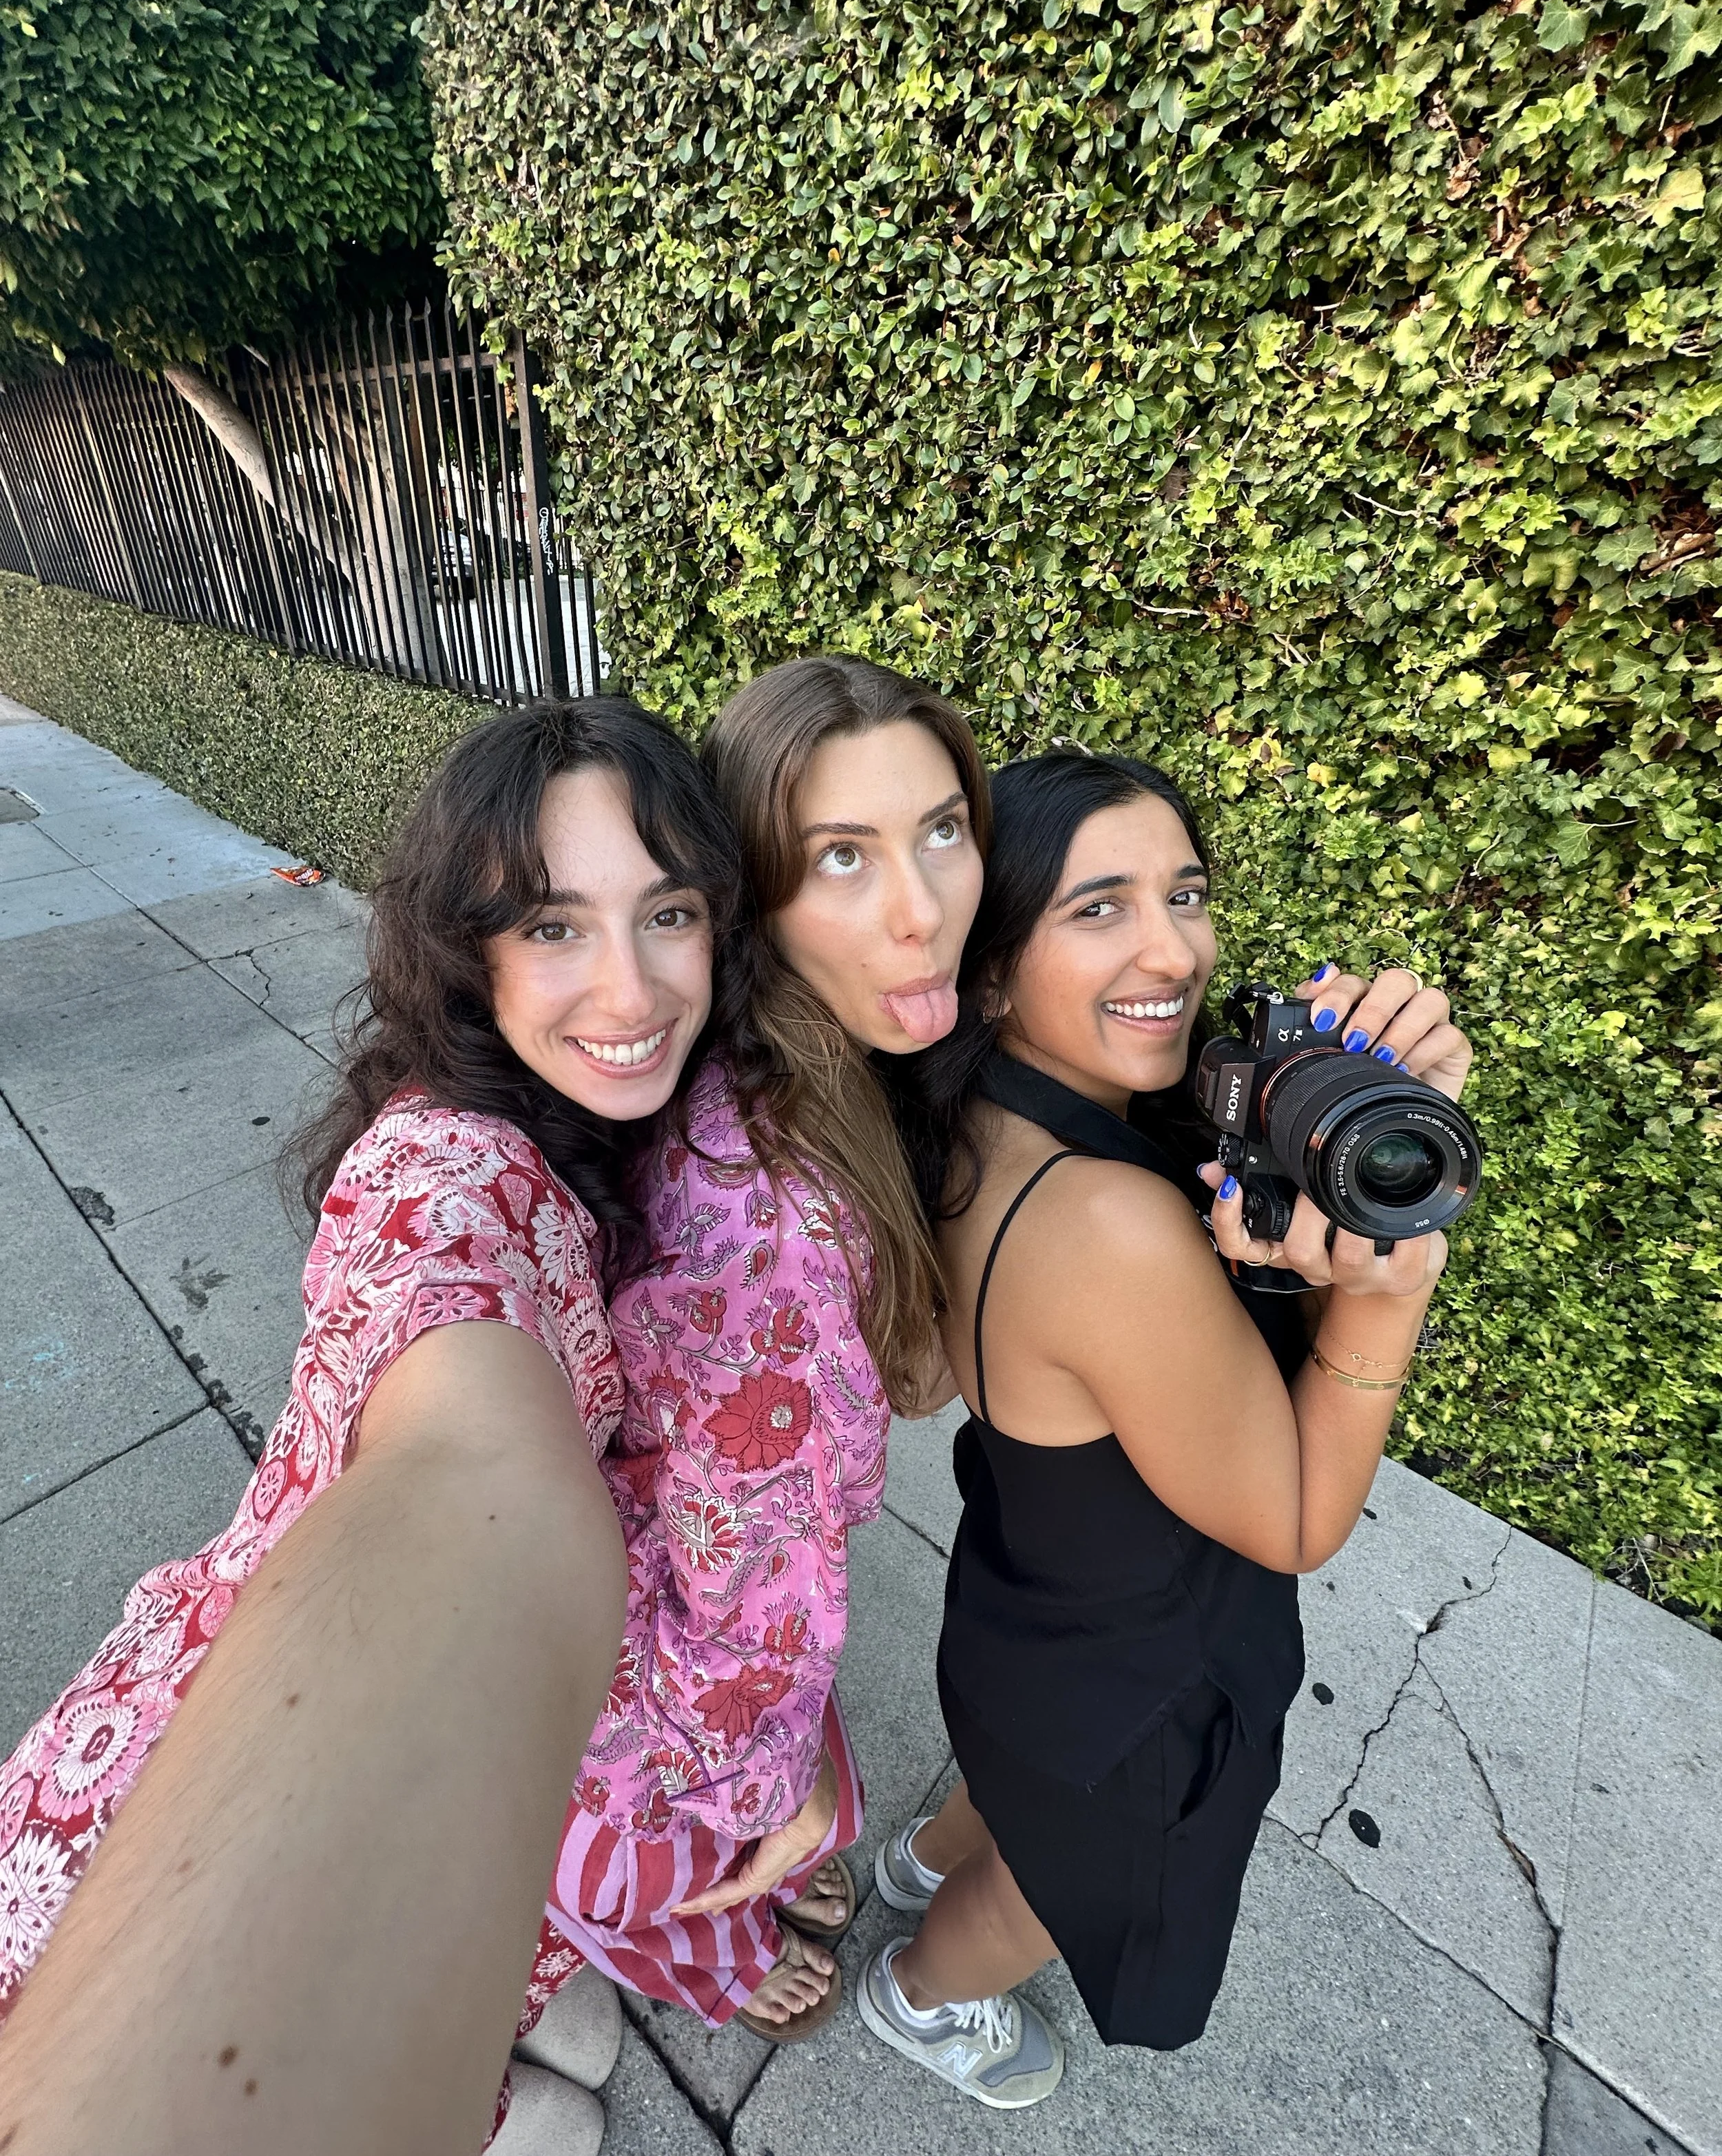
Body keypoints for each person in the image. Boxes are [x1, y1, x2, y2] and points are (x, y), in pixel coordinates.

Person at [0, 698, 740, 2156]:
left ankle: (501, 2031)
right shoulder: (440, 1173)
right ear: (465, 950)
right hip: (222, 1741)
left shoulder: (612, 1110)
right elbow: (472, 1463)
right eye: (550, 927)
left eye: (668, 912)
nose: (632, 986)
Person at [859, 750, 1475, 2108]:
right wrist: (1389, 1288)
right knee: (1052, 1883)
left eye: (1181, 891)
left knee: (1022, 1800)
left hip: (1037, 1605)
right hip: (1133, 1673)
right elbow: (1295, 1517)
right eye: (1097, 908)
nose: (1171, 945)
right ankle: (914, 1990)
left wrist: (1305, 1107)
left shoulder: (979, 1121)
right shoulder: (1104, 1221)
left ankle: (918, 1858)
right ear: (991, 963)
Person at [541, 655, 987, 2040]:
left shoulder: (785, 1069)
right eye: (840, 857)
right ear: (750, 893)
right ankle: (722, 1962)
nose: (920, 912)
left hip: (636, 1562)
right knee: (724, 1874)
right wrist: (768, 1785)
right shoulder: (777, 1227)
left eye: (942, 831)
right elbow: (751, 1592)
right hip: (660, 1665)